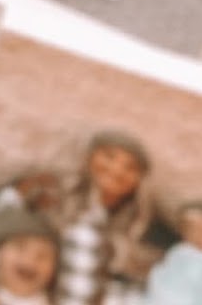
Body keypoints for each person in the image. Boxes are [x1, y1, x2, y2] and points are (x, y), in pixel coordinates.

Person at [54, 130, 168, 305]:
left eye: (131, 167)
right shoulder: (58, 197)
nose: (117, 170)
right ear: (89, 157)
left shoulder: (147, 225)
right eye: (109, 156)